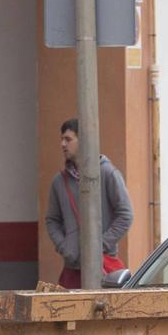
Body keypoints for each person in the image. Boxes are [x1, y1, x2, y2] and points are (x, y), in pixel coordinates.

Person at [44, 118, 134, 288]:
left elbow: (126, 214)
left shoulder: (107, 173)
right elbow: (52, 220)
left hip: (103, 266)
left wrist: (100, 244)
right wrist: (65, 247)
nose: (63, 144)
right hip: (72, 268)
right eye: (61, 139)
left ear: (83, 141)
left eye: (68, 139)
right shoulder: (59, 181)